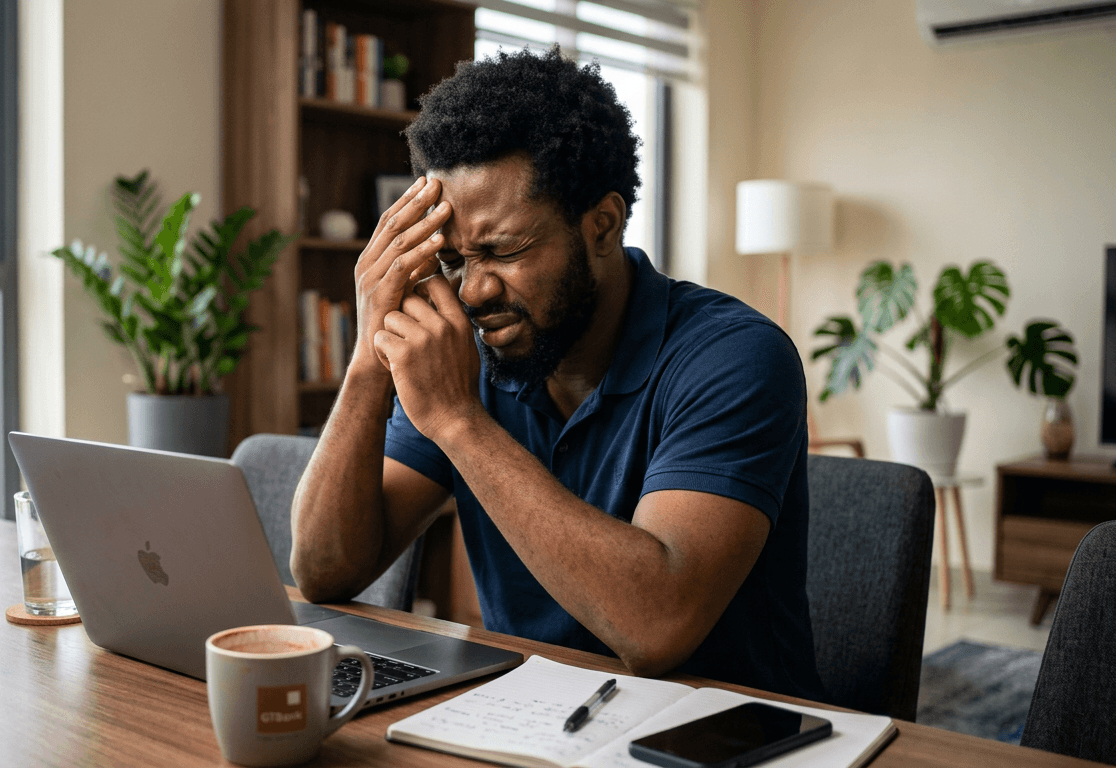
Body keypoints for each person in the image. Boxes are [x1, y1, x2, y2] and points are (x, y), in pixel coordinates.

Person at [290, 48, 824, 699]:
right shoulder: (471, 354)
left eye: (503, 251)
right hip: (530, 712)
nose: (473, 291)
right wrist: (369, 358)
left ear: (602, 225)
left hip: (721, 727)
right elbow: (324, 571)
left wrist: (458, 421)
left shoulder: (735, 356)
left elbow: (656, 627)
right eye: (454, 260)